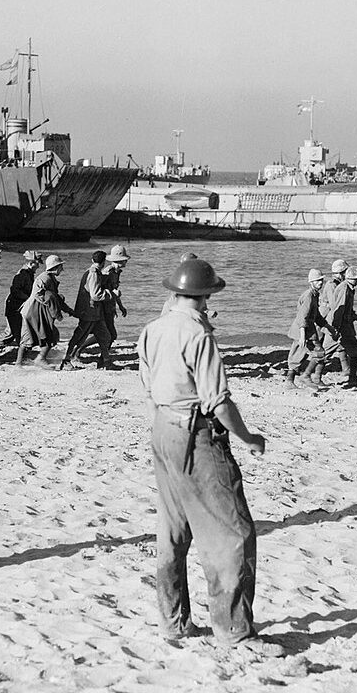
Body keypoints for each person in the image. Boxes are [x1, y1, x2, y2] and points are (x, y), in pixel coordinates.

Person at [136, 257, 280, 656]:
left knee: (173, 530)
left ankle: (174, 621)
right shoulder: (198, 335)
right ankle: (234, 631)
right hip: (196, 434)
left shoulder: (153, 329)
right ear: (206, 296)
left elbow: (147, 383)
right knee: (233, 534)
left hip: (163, 429)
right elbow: (218, 402)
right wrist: (248, 437)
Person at [17, 254, 72, 367]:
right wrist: (53, 305)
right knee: (30, 338)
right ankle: (23, 362)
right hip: (32, 311)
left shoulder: (50, 278)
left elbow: (55, 298)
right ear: (55, 267)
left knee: (48, 335)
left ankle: (36, 359)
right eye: (61, 267)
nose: (62, 269)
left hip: (36, 311)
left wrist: (69, 310)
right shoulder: (45, 278)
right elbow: (41, 295)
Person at [61, 251, 112, 369]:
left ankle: (105, 361)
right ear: (104, 262)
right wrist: (110, 294)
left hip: (94, 312)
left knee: (105, 336)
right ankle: (66, 360)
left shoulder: (90, 272)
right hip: (90, 312)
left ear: (92, 260)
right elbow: (95, 295)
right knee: (79, 337)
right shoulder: (94, 274)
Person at [285, 269, 335, 389]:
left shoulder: (315, 294)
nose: (320, 283)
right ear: (311, 282)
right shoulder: (308, 295)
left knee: (319, 353)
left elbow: (316, 315)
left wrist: (327, 326)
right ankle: (290, 381)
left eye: (321, 280)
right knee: (297, 356)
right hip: (301, 330)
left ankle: (312, 377)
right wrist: (302, 335)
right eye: (317, 281)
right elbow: (302, 316)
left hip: (310, 330)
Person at [328, 266, 357, 388]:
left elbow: (349, 310)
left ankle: (352, 377)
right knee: (324, 353)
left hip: (344, 325)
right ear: (352, 278)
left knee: (356, 350)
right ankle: (307, 375)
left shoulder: (349, 288)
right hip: (339, 326)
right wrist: (336, 328)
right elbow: (339, 310)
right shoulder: (344, 289)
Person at [310, 259, 349, 386]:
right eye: (345, 272)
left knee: (339, 343)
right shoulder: (332, 285)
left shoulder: (337, 284)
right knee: (321, 345)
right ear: (340, 273)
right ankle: (310, 372)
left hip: (327, 314)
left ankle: (346, 369)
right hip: (325, 315)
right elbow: (334, 305)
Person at [98, 244, 131, 368]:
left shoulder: (117, 272)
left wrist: (120, 306)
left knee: (107, 334)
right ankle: (102, 359)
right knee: (110, 335)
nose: (126, 262)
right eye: (124, 260)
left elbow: (114, 291)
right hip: (104, 307)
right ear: (119, 260)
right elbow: (100, 292)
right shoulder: (107, 272)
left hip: (110, 307)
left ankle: (102, 358)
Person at [1, 251, 40, 346]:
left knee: (16, 333)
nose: (38, 266)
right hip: (15, 307)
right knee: (11, 334)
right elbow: (15, 291)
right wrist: (28, 299)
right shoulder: (23, 274)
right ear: (31, 263)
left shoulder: (29, 273)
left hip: (19, 306)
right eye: (37, 264)